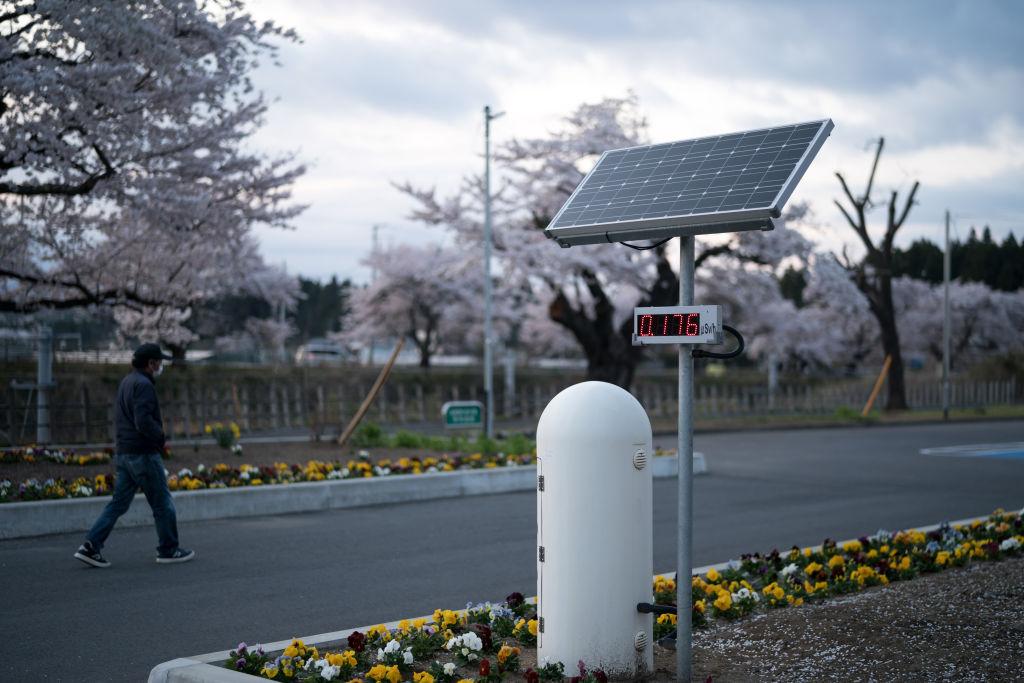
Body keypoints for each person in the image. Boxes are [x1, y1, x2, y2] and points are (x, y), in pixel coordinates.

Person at [74, 343, 195, 567]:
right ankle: (169, 549)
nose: (161, 365)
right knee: (162, 503)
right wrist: (160, 437)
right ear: (150, 363)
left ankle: (90, 545)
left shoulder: (127, 382)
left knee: (118, 504)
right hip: (143, 454)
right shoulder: (144, 385)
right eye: (159, 361)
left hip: (125, 453)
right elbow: (143, 421)